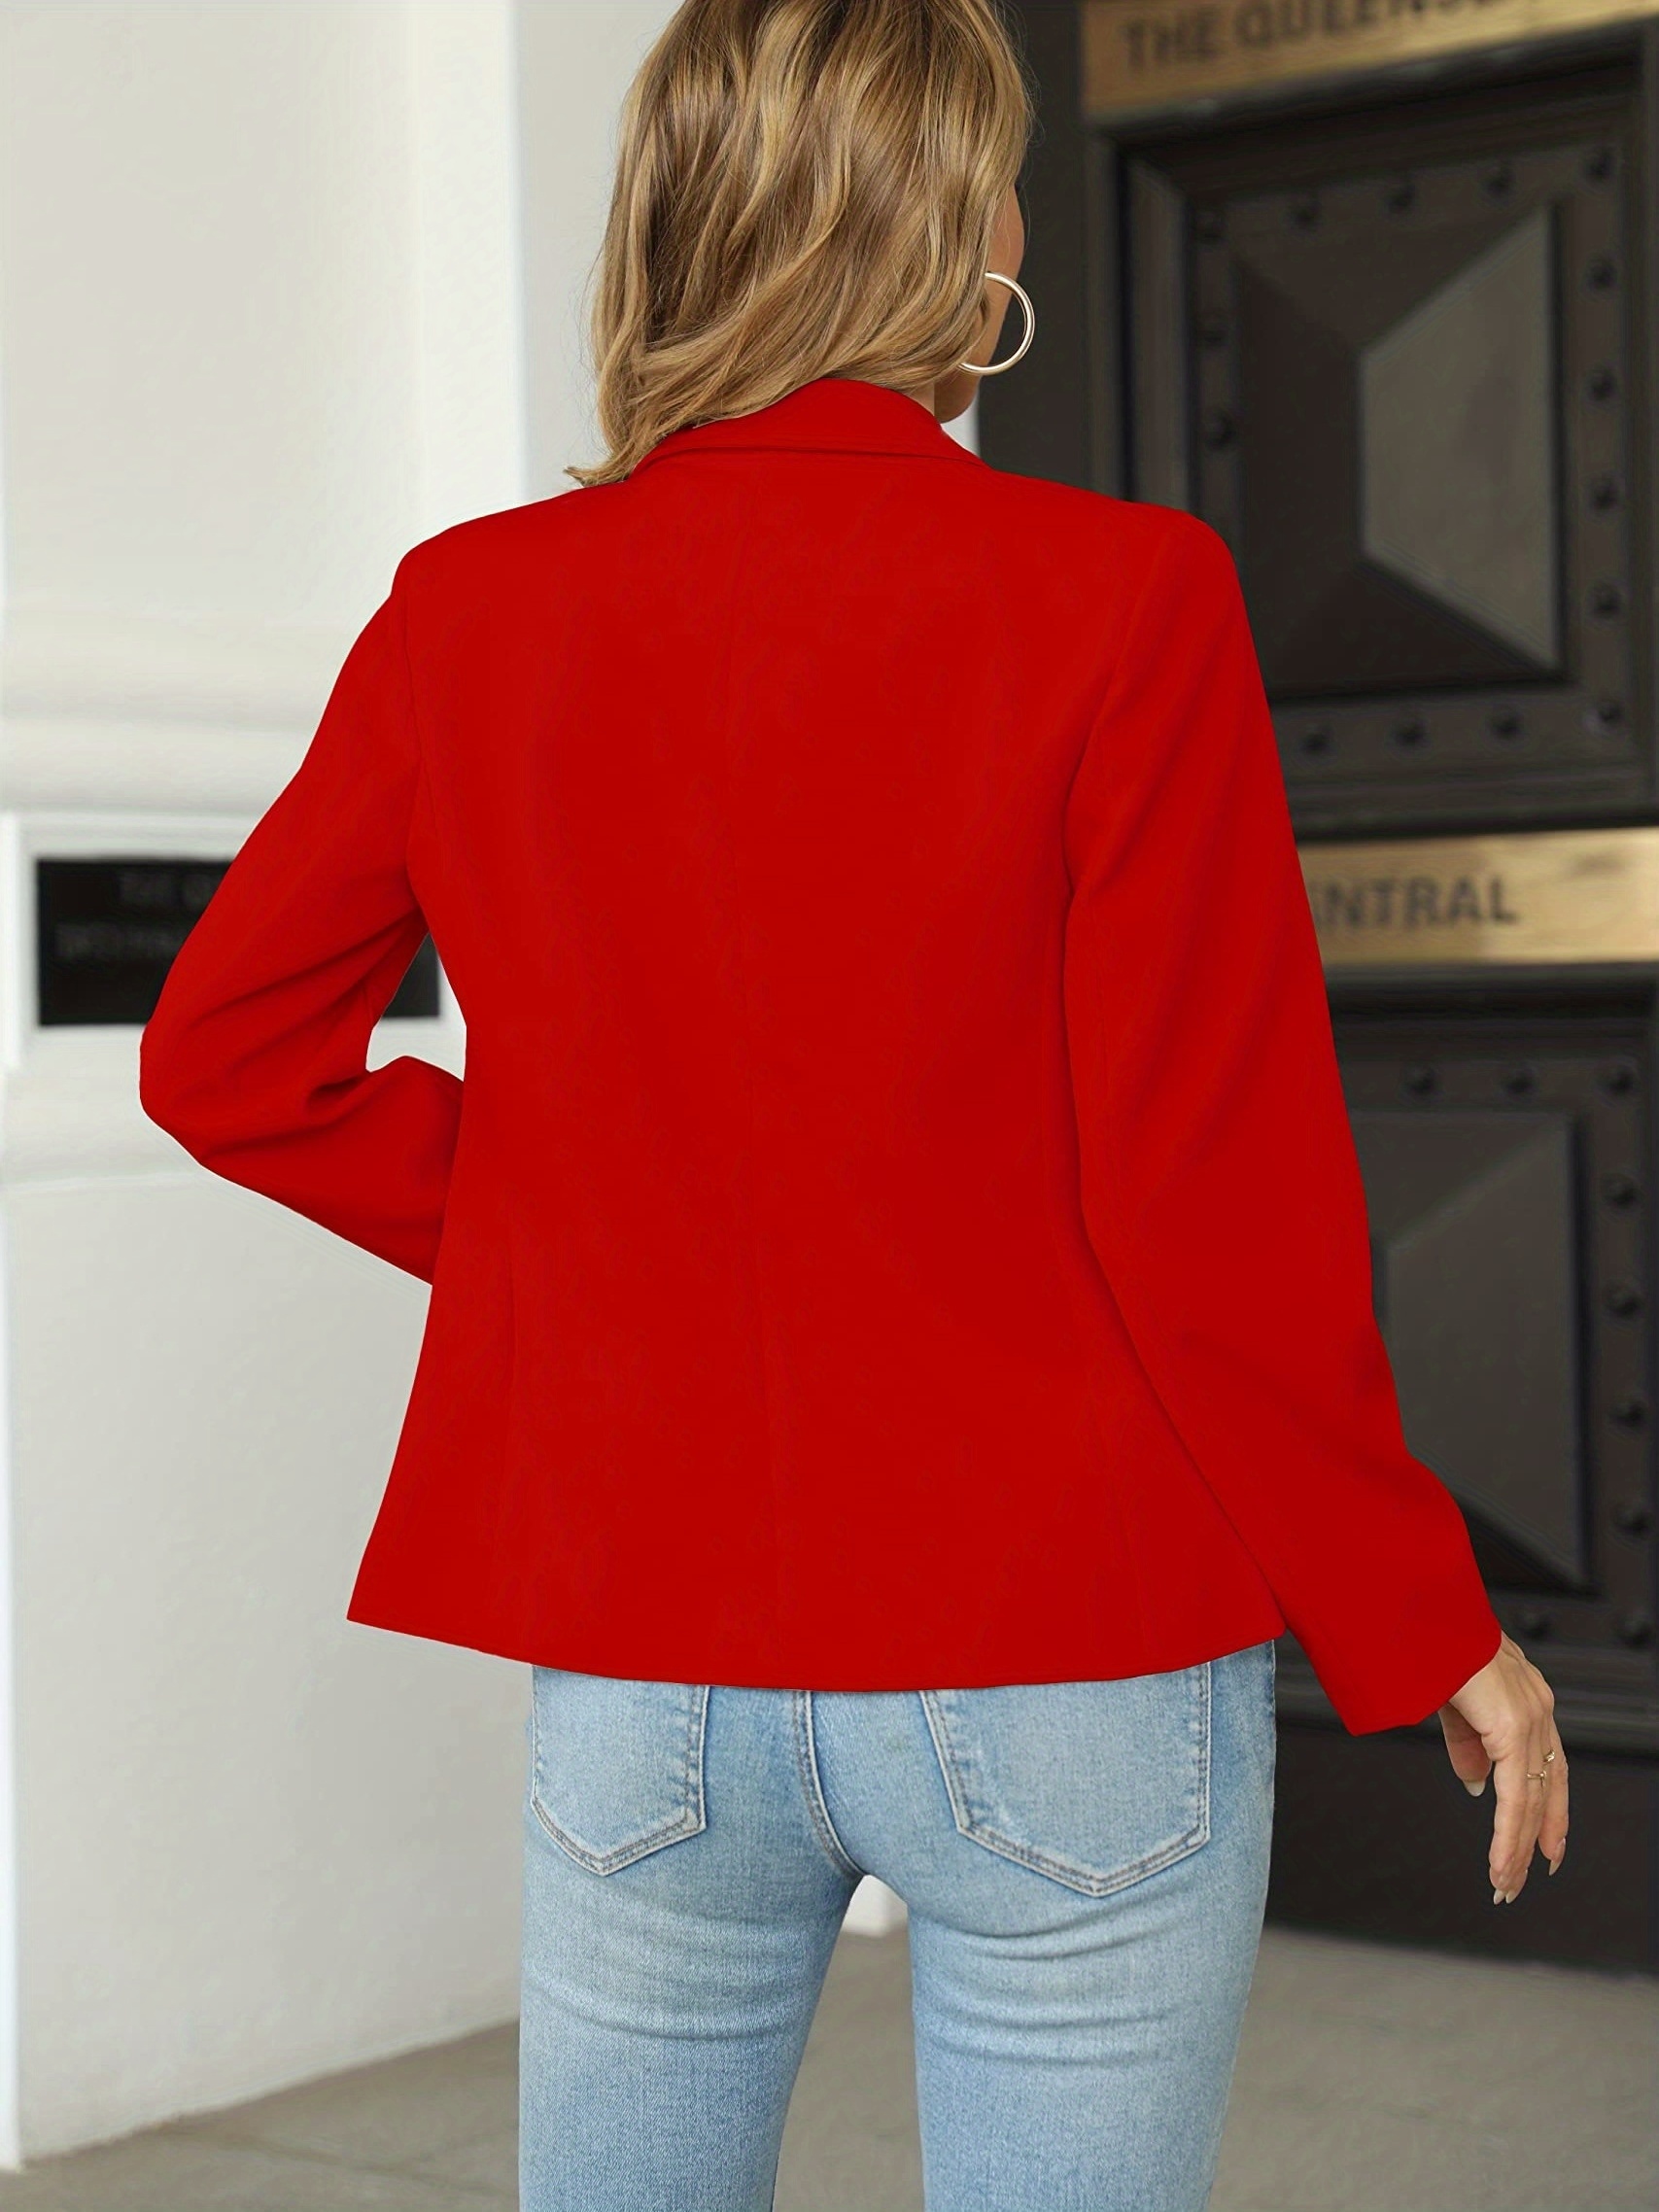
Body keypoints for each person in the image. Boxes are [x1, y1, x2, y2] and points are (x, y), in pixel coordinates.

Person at [137, 1, 1569, 2205]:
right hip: (1064, 1644)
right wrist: (1421, 1609)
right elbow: (1210, 1200)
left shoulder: (470, 612)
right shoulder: (1124, 600)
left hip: (648, 1665)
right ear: (941, 228)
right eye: (999, 181)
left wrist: (563, 1221)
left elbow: (227, 1059)